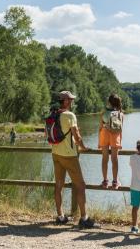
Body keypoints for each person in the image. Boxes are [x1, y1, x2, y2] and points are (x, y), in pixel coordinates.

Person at [51, 90, 96, 228]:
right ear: (64, 101)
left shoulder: (54, 114)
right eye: (70, 100)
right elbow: (77, 135)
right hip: (69, 155)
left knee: (59, 185)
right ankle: (84, 218)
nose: (71, 102)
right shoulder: (70, 115)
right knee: (80, 185)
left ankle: (60, 216)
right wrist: (82, 147)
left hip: (56, 153)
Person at [99, 94, 124, 189]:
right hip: (115, 137)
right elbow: (121, 129)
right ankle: (115, 182)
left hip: (104, 135)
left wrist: (99, 141)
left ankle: (105, 181)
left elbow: (100, 127)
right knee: (115, 160)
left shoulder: (104, 113)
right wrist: (120, 142)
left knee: (104, 159)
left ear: (109, 102)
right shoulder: (120, 114)